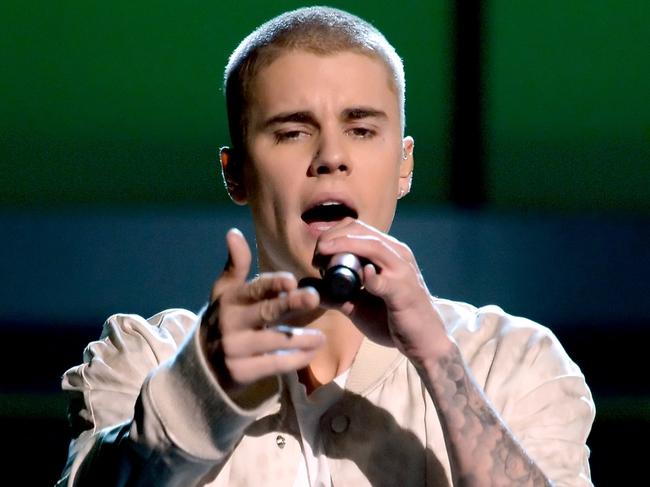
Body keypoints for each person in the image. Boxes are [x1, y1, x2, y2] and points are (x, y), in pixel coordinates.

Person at [57, 6, 594, 487]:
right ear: (236, 173)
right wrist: (203, 391)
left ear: (405, 164)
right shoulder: (142, 357)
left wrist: (436, 356)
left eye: (361, 129)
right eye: (292, 132)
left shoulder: (514, 361)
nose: (331, 156)